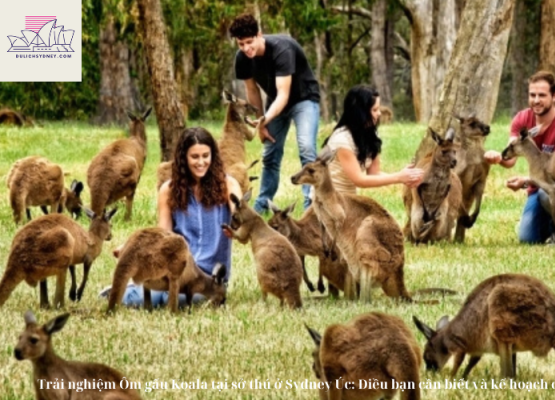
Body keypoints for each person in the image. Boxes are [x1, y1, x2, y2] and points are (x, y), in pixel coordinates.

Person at [102, 127, 242, 307]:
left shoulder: (228, 185)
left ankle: (135, 291)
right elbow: (162, 234)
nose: (201, 162)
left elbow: (241, 215)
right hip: (176, 268)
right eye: (195, 157)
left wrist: (237, 226)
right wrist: (130, 247)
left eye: (206, 156)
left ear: (213, 156)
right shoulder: (168, 190)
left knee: (179, 300)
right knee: (149, 299)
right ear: (184, 158)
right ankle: (128, 291)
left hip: (209, 276)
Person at [229, 13, 319, 213]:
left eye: (250, 42)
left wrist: (265, 119)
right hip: (275, 102)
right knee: (270, 154)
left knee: (306, 148)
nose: (246, 48)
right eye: (241, 44)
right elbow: (252, 91)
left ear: (259, 35)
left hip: (303, 99)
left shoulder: (281, 49)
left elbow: (284, 95)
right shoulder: (242, 58)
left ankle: (310, 207)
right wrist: (261, 124)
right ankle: (262, 205)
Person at [484, 71, 555, 244]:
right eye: (532, 95)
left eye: (542, 95)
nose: (536, 100)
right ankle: (549, 224)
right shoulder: (522, 119)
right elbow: (510, 158)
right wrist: (498, 157)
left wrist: (526, 181)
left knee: (546, 192)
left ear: (554, 96)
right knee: (528, 238)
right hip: (537, 187)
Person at [320, 85, 423, 194]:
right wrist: (398, 177)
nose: (379, 113)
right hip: (328, 200)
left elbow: (374, 174)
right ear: (360, 112)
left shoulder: (370, 134)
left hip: (348, 200)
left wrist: (403, 176)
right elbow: (359, 180)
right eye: (374, 110)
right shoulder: (342, 140)